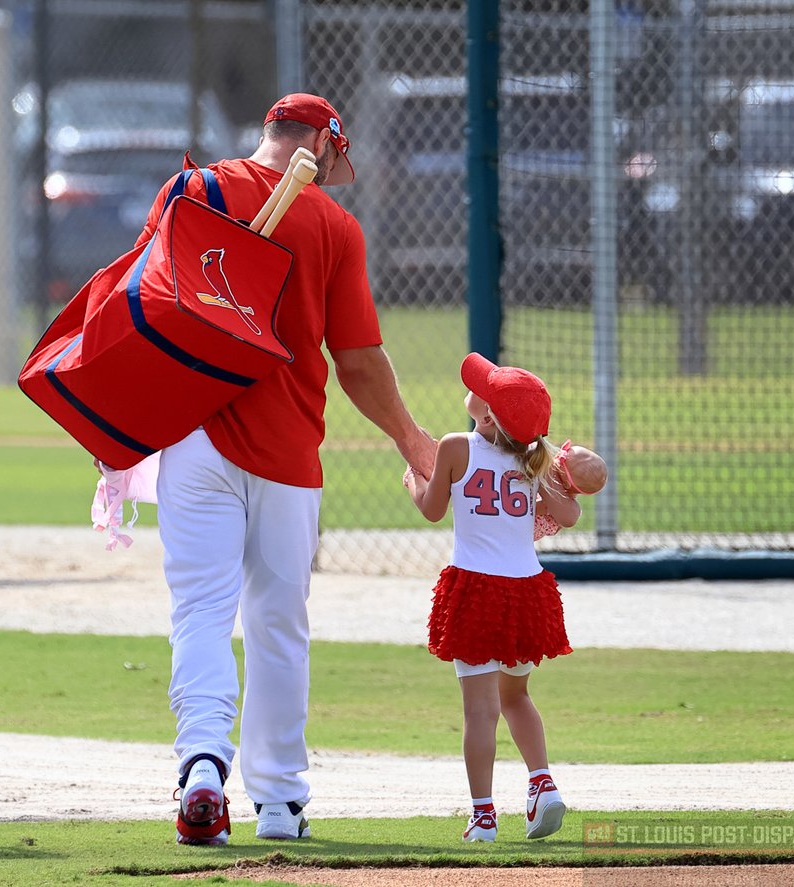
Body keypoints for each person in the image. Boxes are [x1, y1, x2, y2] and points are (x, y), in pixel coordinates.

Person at [135, 94, 436, 845]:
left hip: (195, 436)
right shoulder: (334, 224)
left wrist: (120, 422)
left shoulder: (190, 190)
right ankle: (279, 800)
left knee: (200, 611)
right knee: (278, 624)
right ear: (327, 145)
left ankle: (203, 767)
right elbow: (359, 361)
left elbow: (137, 303)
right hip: (290, 452)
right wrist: (410, 438)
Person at [402, 352, 578, 844]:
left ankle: (483, 816)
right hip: (526, 589)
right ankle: (541, 784)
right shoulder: (531, 458)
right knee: (516, 696)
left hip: (477, 588)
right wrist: (552, 478)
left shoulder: (457, 446)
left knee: (479, 712)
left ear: (487, 414)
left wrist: (415, 481)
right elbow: (569, 516)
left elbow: (434, 510)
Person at [534, 442, 608, 539]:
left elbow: (533, 509)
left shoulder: (556, 502)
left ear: (566, 484)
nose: (559, 457)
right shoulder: (567, 505)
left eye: (562, 462)